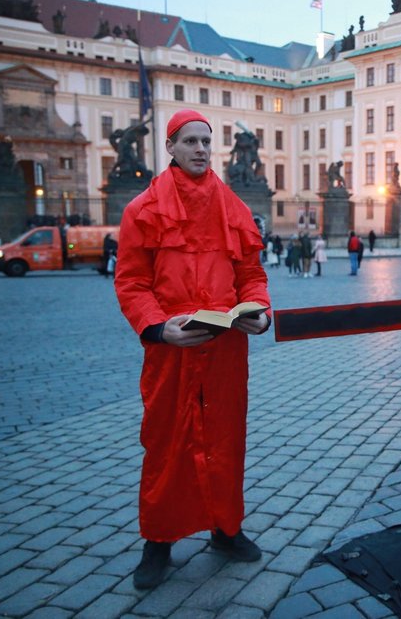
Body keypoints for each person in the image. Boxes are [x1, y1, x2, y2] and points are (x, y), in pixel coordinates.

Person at [114, 109, 271, 590]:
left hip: (224, 349)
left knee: (226, 439)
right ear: (171, 148)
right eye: (190, 141)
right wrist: (160, 329)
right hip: (172, 348)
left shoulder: (234, 208)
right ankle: (158, 541)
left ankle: (226, 529)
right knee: (166, 444)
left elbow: (251, 275)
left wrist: (260, 312)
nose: (201, 149)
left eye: (206, 141)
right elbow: (132, 283)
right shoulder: (142, 209)